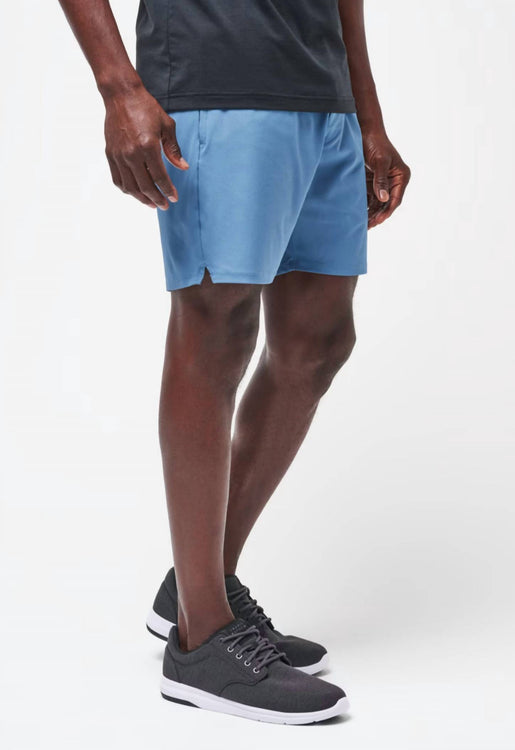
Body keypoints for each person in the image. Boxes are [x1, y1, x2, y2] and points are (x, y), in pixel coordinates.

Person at [59, 0, 410, 724]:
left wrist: (367, 115)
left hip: (322, 94)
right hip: (214, 79)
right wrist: (119, 88)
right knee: (217, 327)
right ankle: (201, 643)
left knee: (317, 340)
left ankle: (196, 589)